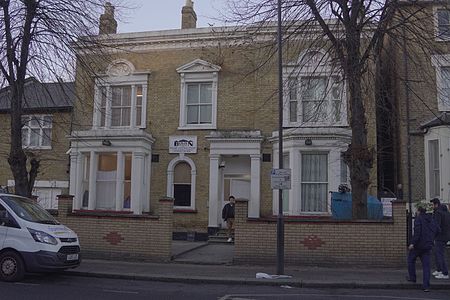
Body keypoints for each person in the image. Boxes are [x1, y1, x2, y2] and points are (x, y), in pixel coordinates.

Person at [407, 204, 440, 292]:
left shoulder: (419, 219)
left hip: (418, 246)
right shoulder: (432, 220)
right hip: (428, 246)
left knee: (410, 260)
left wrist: (412, 243)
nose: (416, 212)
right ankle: (426, 286)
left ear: (419, 211)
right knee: (426, 266)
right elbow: (438, 230)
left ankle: (412, 278)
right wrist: (431, 238)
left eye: (417, 211)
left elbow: (417, 233)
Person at [430, 198, 450, 279]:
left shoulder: (438, 213)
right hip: (446, 236)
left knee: (440, 255)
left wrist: (433, 236)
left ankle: (445, 273)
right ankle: (439, 270)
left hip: (440, 237)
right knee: (438, 254)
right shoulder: (447, 213)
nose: (432, 206)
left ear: (436, 204)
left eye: (433, 205)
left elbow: (436, 226)